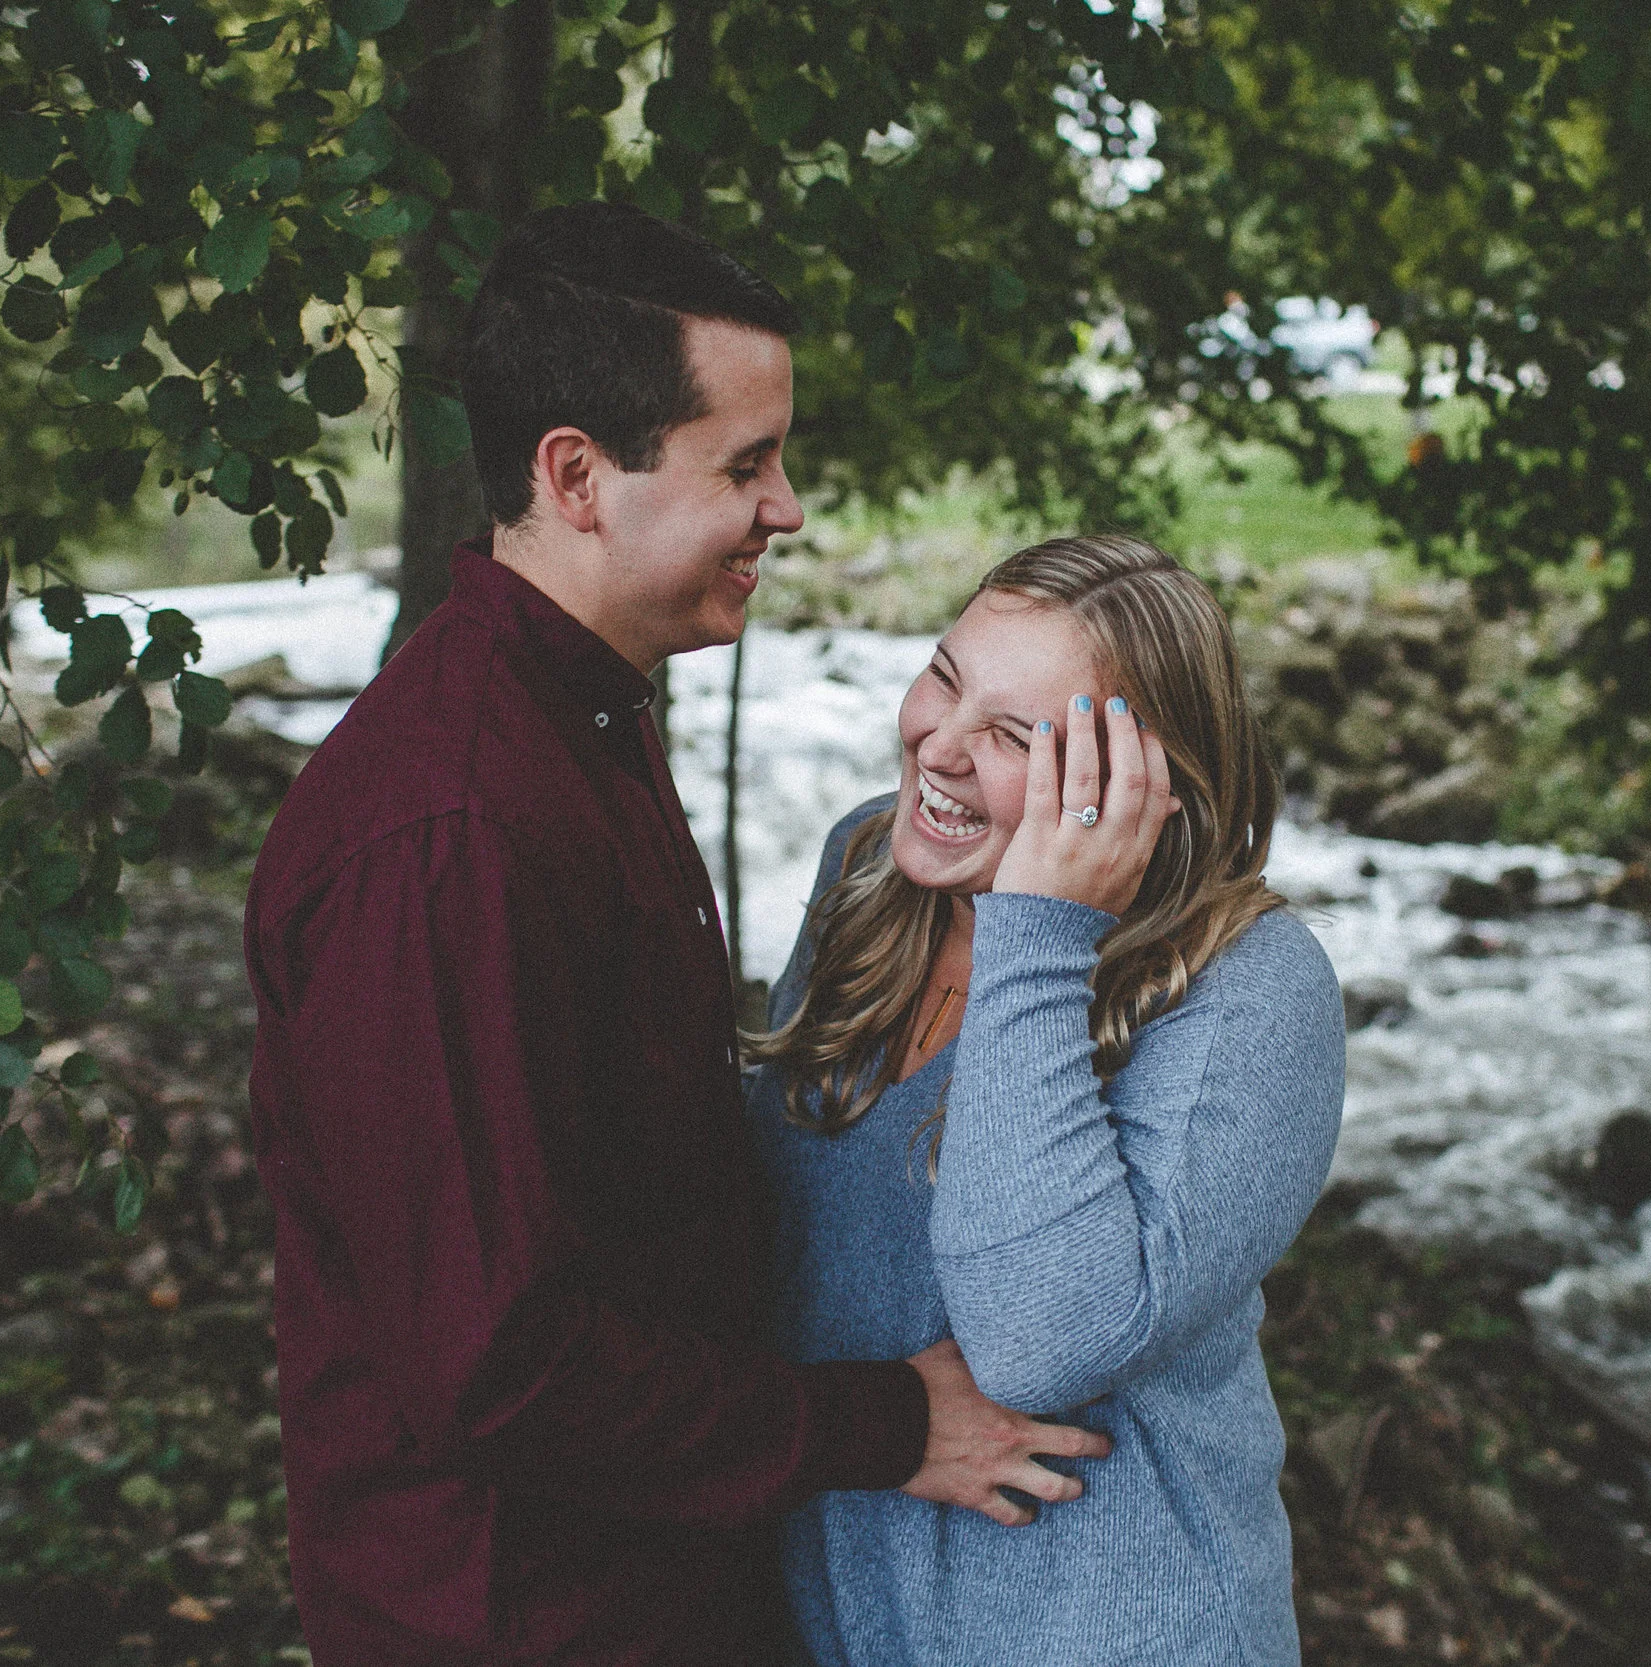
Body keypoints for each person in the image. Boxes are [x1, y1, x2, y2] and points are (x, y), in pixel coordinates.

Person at [242, 204, 1107, 1667]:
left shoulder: (581, 716)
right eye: (746, 463)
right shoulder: (446, 834)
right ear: (577, 474)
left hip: (654, 1579)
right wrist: (889, 1421)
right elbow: (499, 1363)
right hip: (520, 1611)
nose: (788, 508)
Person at [746, 534, 1347, 1666]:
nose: (938, 744)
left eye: (1017, 736)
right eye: (943, 676)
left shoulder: (1253, 990)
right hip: (847, 1616)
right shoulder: (868, 870)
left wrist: (1039, 927)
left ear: (1139, 785)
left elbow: (1038, 1340)